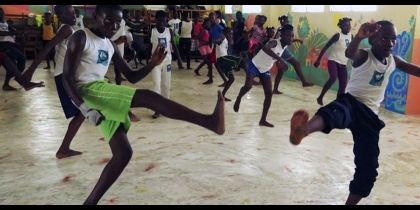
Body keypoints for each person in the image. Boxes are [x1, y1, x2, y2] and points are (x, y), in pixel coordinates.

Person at [61, 5, 225, 205]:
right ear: (96, 16)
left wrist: (152, 64)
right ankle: (209, 122)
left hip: (99, 90)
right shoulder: (81, 37)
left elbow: (132, 76)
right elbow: (67, 78)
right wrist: (84, 109)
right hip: (86, 90)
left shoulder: (110, 45)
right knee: (148, 96)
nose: (113, 26)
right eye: (108, 21)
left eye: (117, 23)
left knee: (123, 153)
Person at [289, 21, 420, 205]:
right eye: (384, 38)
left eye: (393, 39)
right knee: (334, 113)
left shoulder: (394, 61)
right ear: (372, 39)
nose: (390, 43)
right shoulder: (364, 56)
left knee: (368, 170)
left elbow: (416, 70)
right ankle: (304, 129)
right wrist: (358, 37)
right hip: (351, 102)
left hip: (370, 117)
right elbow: (350, 53)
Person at [18, 5, 85, 159]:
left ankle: (64, 148)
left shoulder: (70, 29)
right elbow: (48, 47)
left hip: (67, 76)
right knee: (82, 111)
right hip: (64, 77)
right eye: (68, 13)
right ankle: (63, 149)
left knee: (83, 110)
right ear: (61, 17)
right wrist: (30, 70)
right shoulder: (66, 28)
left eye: (73, 11)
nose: (73, 14)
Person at [233, 24, 292, 128]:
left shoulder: (285, 46)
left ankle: (263, 120)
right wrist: (280, 60)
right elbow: (265, 49)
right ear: (282, 36)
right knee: (248, 86)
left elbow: (275, 56)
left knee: (269, 94)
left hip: (264, 69)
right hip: (255, 64)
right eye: (288, 36)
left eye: (292, 36)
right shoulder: (275, 42)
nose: (291, 38)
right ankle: (238, 98)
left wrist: (278, 62)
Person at [147, 10, 184, 119]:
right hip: (155, 63)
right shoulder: (152, 32)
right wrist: (147, 61)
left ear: (166, 21)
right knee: (156, 85)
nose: (161, 23)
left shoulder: (169, 32)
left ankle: (166, 107)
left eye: (163, 21)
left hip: (167, 61)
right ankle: (157, 109)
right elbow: (149, 47)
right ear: (155, 20)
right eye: (159, 21)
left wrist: (179, 59)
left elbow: (174, 46)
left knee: (166, 85)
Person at [314, 18, 353, 106]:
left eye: (349, 25)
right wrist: (318, 60)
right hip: (333, 60)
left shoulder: (351, 36)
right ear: (341, 27)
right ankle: (320, 97)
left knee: (343, 84)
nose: (348, 27)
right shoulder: (338, 36)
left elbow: (352, 50)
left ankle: (337, 103)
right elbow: (325, 47)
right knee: (333, 77)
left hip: (343, 63)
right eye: (346, 25)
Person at [273, 15, 314, 88]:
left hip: (283, 49)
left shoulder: (287, 29)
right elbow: (275, 39)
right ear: (282, 21)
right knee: (292, 64)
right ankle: (304, 82)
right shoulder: (280, 29)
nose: (288, 22)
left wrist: (297, 40)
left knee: (284, 69)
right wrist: (278, 60)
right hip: (279, 50)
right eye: (286, 21)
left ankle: (275, 89)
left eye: (288, 21)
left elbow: (289, 40)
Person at [215, 27, 247, 101]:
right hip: (222, 59)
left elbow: (225, 49)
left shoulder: (226, 40)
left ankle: (222, 96)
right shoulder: (222, 37)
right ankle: (250, 77)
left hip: (223, 60)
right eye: (229, 34)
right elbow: (218, 41)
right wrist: (219, 40)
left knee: (231, 79)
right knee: (243, 60)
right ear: (224, 32)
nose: (230, 35)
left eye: (231, 34)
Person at [0, 7, 27, 91]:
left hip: (9, 44)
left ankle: (6, 85)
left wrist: (22, 34)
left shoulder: (5, 23)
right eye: (0, 14)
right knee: (21, 58)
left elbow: (14, 30)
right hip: (2, 45)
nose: (2, 15)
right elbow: (1, 33)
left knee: (12, 64)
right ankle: (18, 77)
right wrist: (14, 32)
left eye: (2, 13)